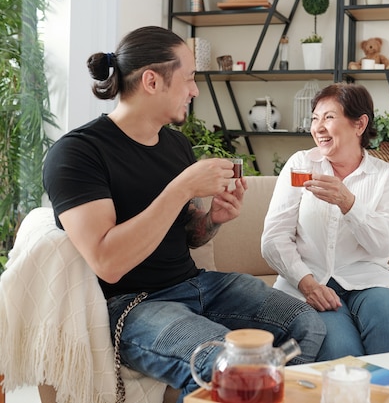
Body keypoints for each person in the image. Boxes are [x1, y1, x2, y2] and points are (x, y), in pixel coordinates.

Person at [42, 26, 325, 401]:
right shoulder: (78, 153)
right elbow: (107, 261)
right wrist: (181, 188)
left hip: (197, 285)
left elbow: (191, 235)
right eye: (189, 78)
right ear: (151, 81)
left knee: (307, 324)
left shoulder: (174, 144)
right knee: (229, 362)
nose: (194, 90)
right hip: (132, 304)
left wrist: (214, 220)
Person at [261, 83, 389, 361]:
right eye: (315, 119)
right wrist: (308, 284)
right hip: (308, 279)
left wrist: (349, 203)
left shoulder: (385, 175)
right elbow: (273, 239)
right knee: (340, 351)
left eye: (329, 118)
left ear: (359, 124)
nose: (318, 127)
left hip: (367, 279)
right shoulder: (300, 164)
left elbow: (386, 244)